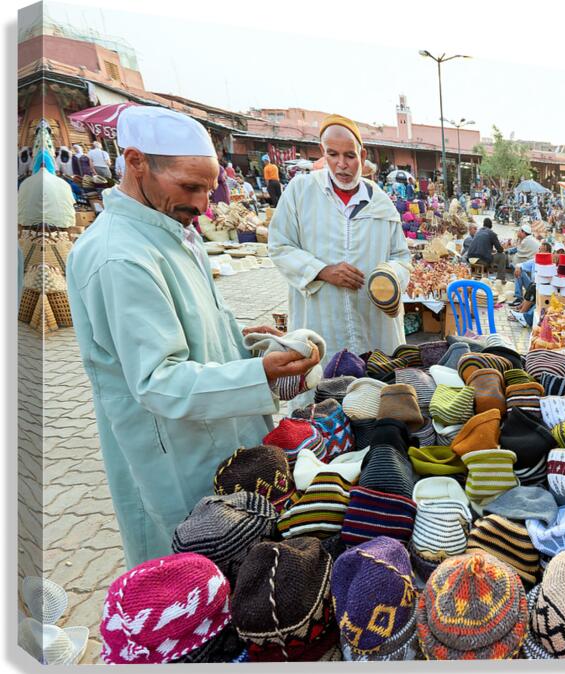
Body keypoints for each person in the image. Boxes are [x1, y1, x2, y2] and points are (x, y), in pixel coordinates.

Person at [66, 107, 320, 567]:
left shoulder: (173, 230)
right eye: (190, 186)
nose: (204, 203)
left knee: (241, 552)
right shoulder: (119, 257)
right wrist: (257, 373)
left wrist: (241, 341)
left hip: (219, 434)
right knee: (194, 570)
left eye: (208, 187)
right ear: (136, 161)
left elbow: (186, 330)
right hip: (174, 455)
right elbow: (157, 379)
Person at [269, 114, 412, 361]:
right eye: (333, 155)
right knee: (324, 385)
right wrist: (322, 270)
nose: (341, 165)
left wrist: (390, 275)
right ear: (322, 153)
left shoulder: (380, 202)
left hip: (373, 322)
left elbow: (401, 256)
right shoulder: (300, 192)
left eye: (350, 156)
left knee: (374, 387)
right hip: (321, 320)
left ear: (362, 156)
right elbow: (280, 245)